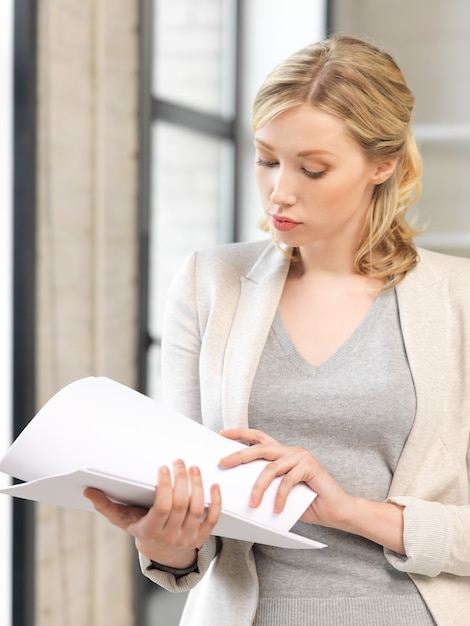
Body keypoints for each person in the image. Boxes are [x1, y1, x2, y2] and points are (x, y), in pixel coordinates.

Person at [85, 34, 470, 625]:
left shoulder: (458, 299)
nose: (279, 193)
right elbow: (191, 536)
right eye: (266, 159)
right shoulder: (207, 283)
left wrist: (348, 510)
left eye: (313, 169)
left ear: (382, 163)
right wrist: (163, 542)